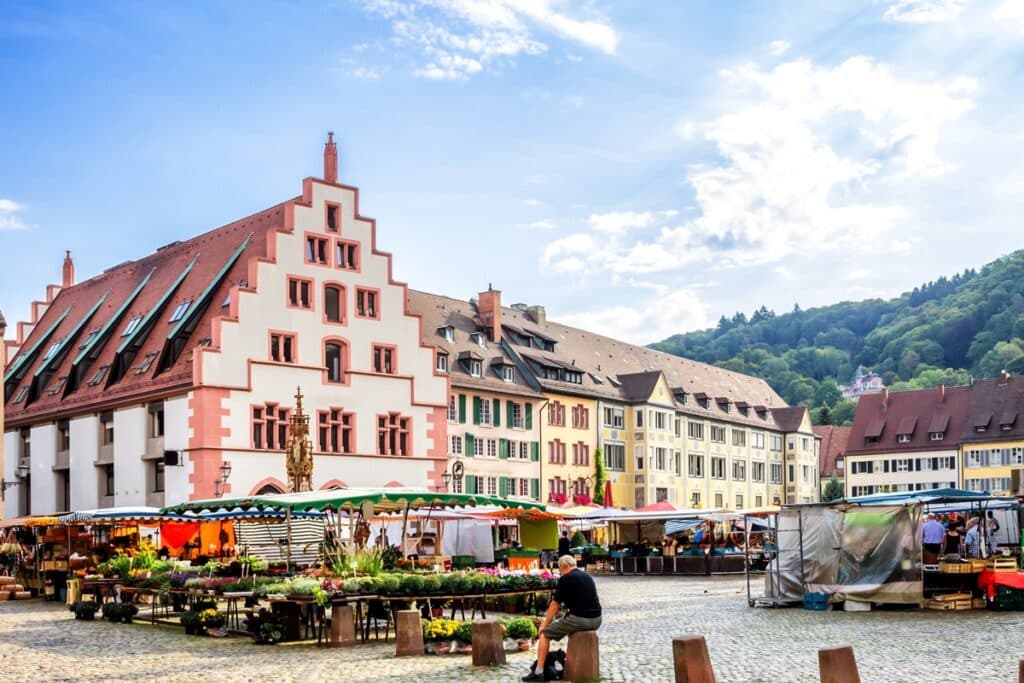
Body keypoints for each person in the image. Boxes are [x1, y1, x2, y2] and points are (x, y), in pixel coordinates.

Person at [522, 555, 602, 682]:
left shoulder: (566, 578)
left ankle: (539, 672)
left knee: (545, 635)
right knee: (566, 622)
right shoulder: (587, 576)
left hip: (580, 619)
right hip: (597, 619)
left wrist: (544, 624)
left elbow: (555, 606)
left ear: (562, 567)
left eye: (560, 569)